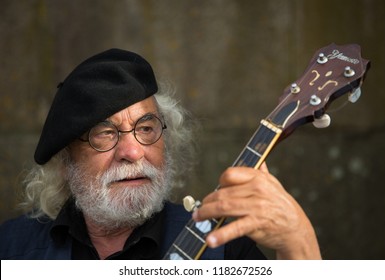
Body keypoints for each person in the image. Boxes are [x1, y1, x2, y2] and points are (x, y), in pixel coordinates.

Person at [0, 49, 321, 260]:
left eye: (146, 127)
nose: (133, 151)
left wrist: (298, 241)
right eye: (105, 133)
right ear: (66, 160)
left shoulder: (225, 250)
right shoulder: (11, 250)